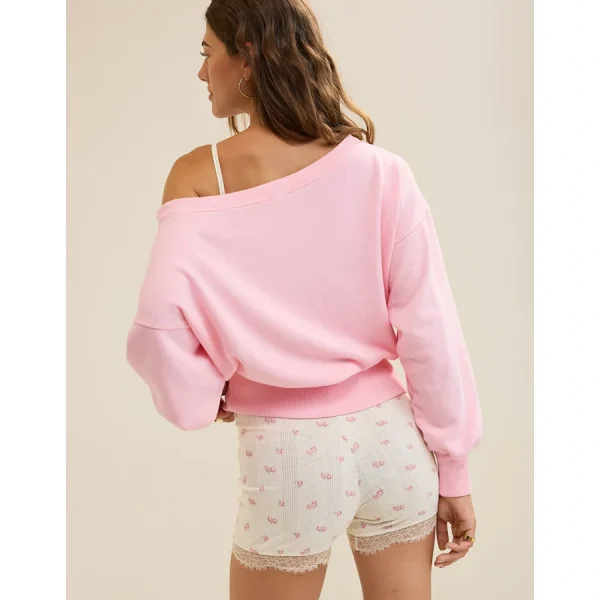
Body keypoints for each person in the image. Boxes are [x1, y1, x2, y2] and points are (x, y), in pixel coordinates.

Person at [125, 1, 482, 599]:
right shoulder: (383, 172)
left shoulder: (198, 175)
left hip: (290, 455)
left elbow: (160, 326)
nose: (201, 71)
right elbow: (430, 330)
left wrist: (203, 393)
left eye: (208, 52)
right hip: (394, 444)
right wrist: (455, 470)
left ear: (247, 56)